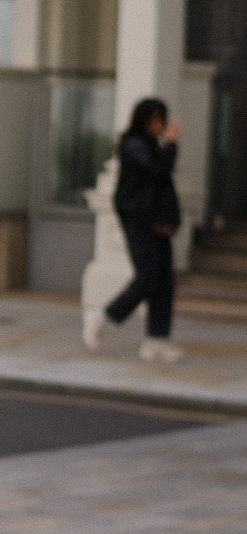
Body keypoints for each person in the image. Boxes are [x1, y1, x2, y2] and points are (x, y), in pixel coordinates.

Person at [85, 97, 183, 362]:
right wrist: (171, 143)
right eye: (155, 119)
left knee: (164, 280)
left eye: (162, 119)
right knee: (148, 277)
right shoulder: (134, 145)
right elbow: (159, 171)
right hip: (139, 221)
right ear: (143, 120)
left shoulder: (151, 145)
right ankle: (102, 318)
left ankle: (157, 340)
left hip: (157, 221)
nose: (159, 125)